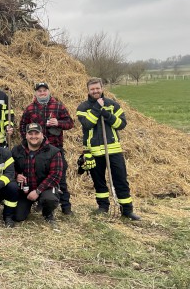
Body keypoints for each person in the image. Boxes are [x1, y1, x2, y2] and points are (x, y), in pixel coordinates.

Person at [76, 78, 140, 220]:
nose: (95, 91)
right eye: (92, 89)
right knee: (98, 181)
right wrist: (98, 109)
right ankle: (103, 207)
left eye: (97, 88)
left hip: (113, 150)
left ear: (102, 88)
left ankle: (127, 210)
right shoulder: (82, 107)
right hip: (94, 151)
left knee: (121, 180)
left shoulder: (113, 105)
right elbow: (87, 124)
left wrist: (108, 115)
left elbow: (121, 124)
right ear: (88, 91)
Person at [19, 82, 75, 215]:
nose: (42, 93)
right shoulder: (30, 109)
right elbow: (22, 126)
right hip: (36, 150)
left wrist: (59, 123)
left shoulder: (58, 106)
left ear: (49, 92)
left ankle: (66, 208)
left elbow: (70, 123)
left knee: (60, 179)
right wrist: (28, 141)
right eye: (39, 91)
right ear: (36, 93)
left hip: (55, 149)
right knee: (36, 176)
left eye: (44, 91)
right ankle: (39, 202)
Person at [11, 123, 63, 225]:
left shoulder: (53, 151)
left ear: (42, 134)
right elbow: (9, 169)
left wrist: (38, 191)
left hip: (44, 188)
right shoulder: (16, 150)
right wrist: (16, 175)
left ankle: (48, 213)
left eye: (36, 133)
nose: (33, 136)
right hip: (25, 190)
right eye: (30, 133)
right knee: (18, 217)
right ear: (26, 135)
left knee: (49, 199)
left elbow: (55, 175)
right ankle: (28, 207)